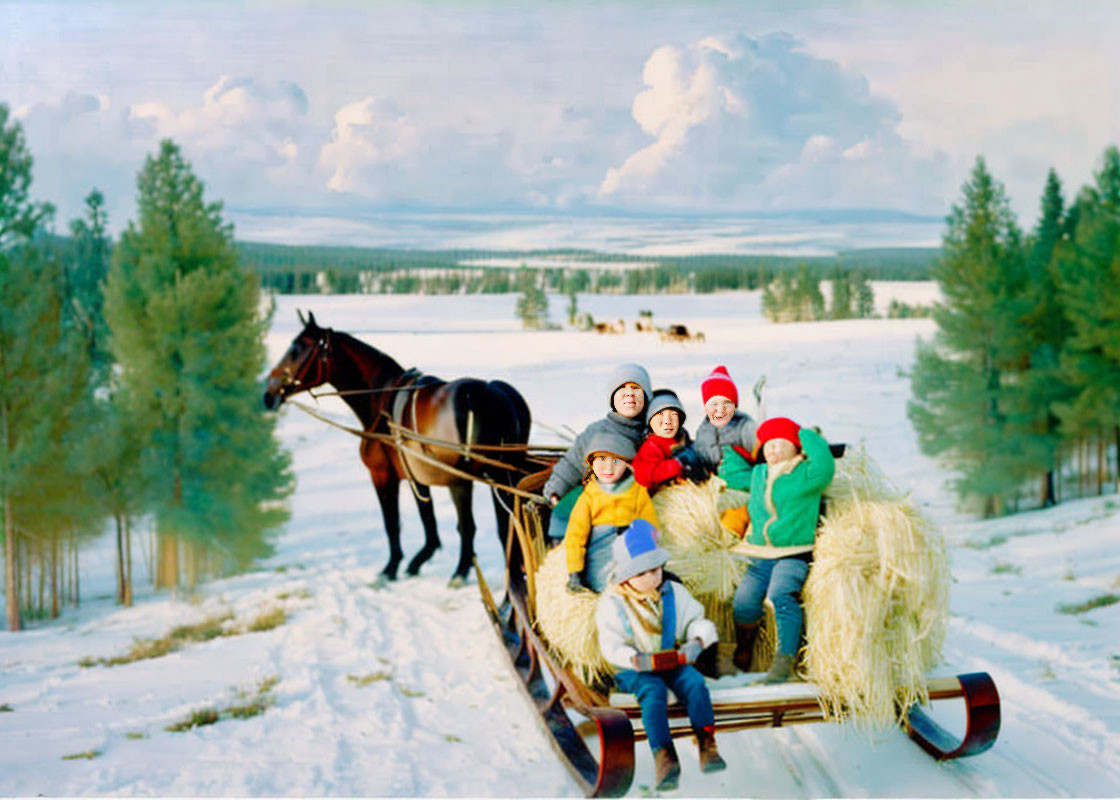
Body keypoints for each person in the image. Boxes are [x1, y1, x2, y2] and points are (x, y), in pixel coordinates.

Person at [595, 520, 726, 791]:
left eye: (656, 570)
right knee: (653, 693)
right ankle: (664, 756)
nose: (652, 578)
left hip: (671, 660)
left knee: (695, 683)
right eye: (642, 574)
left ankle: (706, 742)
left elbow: (697, 619)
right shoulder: (613, 602)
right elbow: (610, 643)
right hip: (636, 667)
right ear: (625, 577)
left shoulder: (672, 592)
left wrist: (697, 641)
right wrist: (634, 658)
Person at [723, 416, 836, 682]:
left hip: (793, 553)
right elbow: (732, 474)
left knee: (781, 595)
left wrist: (805, 433)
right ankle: (745, 647)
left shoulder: (806, 473)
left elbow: (826, 466)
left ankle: (784, 660)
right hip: (761, 553)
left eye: (780, 444)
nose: (772, 450)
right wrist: (730, 452)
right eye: (768, 445)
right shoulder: (759, 473)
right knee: (744, 600)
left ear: (796, 448)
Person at [542, 363, 652, 538]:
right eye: (622, 389)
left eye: (636, 388)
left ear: (647, 396)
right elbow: (571, 464)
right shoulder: (596, 432)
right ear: (612, 398)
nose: (629, 393)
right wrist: (556, 489)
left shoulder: (654, 431)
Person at [563, 431, 658, 592]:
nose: (608, 467)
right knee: (606, 585)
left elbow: (649, 524)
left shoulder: (637, 492)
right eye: (601, 459)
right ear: (592, 463)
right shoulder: (589, 497)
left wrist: (650, 555)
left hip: (631, 545)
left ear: (626, 463)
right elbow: (575, 536)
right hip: (600, 550)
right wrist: (575, 572)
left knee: (637, 583)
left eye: (616, 460)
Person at [632, 388, 707, 493]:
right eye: (660, 414)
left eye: (673, 414)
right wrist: (677, 465)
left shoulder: (683, 441)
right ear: (650, 421)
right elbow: (644, 475)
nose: (667, 421)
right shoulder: (651, 446)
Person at [693, 365, 758, 474]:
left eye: (726, 404)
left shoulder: (745, 427)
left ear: (735, 407)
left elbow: (759, 454)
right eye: (714, 404)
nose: (720, 410)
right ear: (705, 408)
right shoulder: (703, 431)